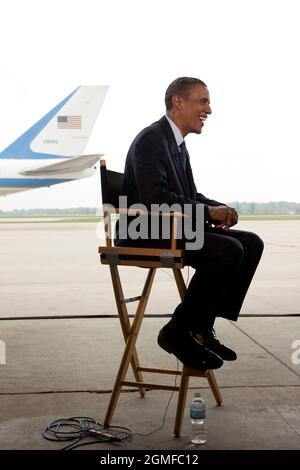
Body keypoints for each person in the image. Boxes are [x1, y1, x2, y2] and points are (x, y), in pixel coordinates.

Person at [116, 77, 264, 370]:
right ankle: (177, 331)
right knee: (228, 249)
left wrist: (217, 208)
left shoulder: (177, 145)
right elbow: (154, 198)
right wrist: (208, 214)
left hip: (169, 227)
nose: (209, 109)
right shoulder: (151, 140)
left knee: (251, 243)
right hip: (145, 231)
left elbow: (189, 196)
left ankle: (201, 327)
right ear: (178, 102)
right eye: (203, 101)